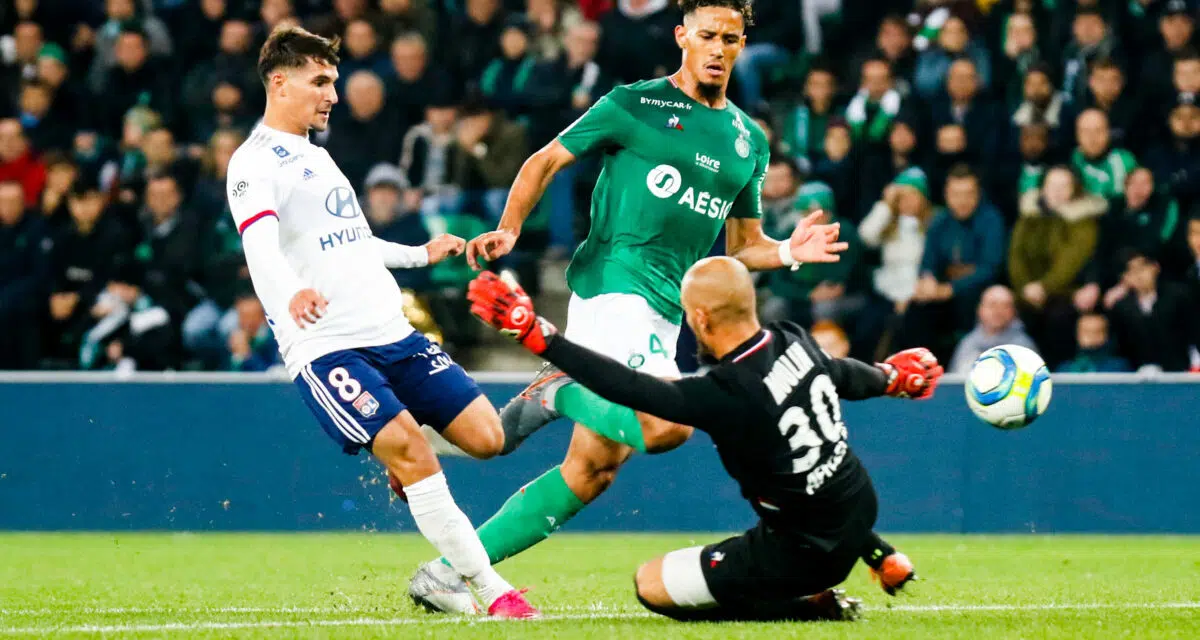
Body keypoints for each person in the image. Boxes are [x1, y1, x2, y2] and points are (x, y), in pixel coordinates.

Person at [409, 0, 850, 610]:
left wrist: (788, 251)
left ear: (743, 44)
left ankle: (445, 574)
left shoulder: (748, 140)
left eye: (730, 38)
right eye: (707, 35)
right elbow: (546, 159)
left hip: (666, 311)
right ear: (682, 36)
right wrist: (509, 228)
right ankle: (560, 388)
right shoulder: (634, 103)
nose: (718, 48)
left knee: (592, 469)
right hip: (615, 287)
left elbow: (742, 247)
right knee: (665, 425)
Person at [225, 26, 536, 619]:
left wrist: (420, 255)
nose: (332, 95)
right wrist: (291, 294)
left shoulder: (316, 154)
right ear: (279, 82)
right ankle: (492, 591)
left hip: (393, 333)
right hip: (328, 347)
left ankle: (401, 457)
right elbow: (259, 247)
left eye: (334, 82)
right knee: (415, 452)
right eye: (320, 82)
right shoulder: (253, 162)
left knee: (487, 438)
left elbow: (352, 240)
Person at [464, 258, 943, 622]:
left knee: (651, 584)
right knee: (816, 475)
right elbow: (844, 374)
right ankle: (880, 554)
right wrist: (890, 377)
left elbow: (631, 389)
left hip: (801, 554)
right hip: (859, 508)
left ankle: (808, 606)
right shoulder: (792, 338)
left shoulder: (726, 393)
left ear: (701, 318)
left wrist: (540, 337)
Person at [947, 285, 1038, 375]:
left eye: (1006, 306)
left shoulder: (1024, 348)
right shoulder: (967, 343)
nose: (998, 311)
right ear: (980, 309)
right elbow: (953, 379)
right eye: (992, 305)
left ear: (1014, 312)